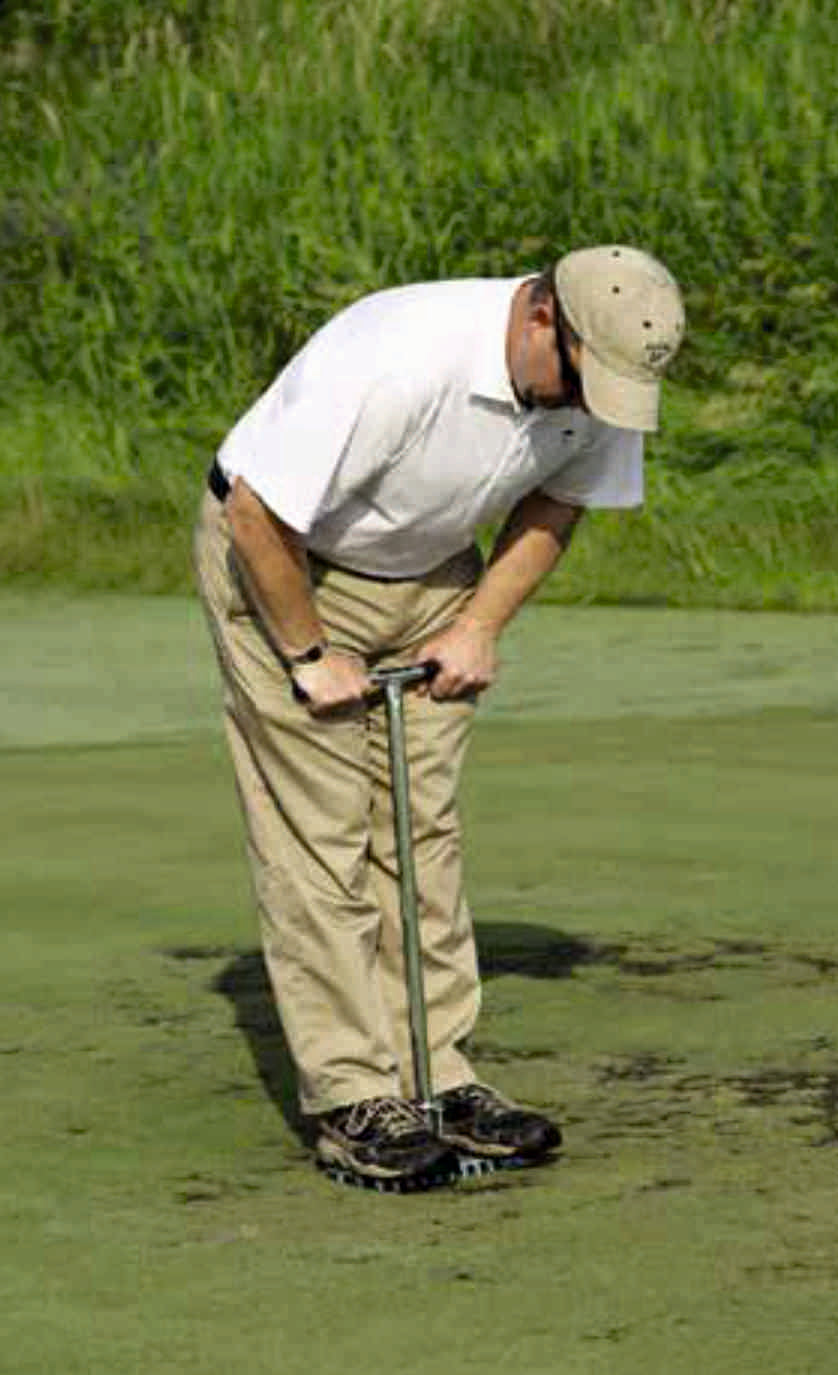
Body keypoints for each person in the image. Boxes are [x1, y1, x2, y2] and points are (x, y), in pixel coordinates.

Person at [194, 245, 685, 1188]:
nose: (593, 408)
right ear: (545, 317)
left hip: (432, 572)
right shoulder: (398, 352)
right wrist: (306, 653)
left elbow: (558, 503)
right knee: (323, 835)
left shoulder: (605, 371)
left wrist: (479, 624)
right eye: (583, 382)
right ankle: (350, 1093)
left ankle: (437, 1073)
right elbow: (257, 512)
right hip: (285, 562)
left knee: (423, 828)